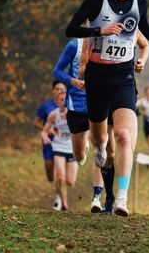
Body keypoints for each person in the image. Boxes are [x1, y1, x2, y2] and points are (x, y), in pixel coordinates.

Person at [65, 0, 149, 217]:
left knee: (124, 136)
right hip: (97, 79)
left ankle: (122, 198)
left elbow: (144, 26)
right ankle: (100, 149)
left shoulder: (139, 2)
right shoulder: (95, 0)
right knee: (101, 140)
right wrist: (98, 30)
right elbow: (71, 29)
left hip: (123, 79)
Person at [53, 38, 105, 213]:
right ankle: (85, 145)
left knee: (101, 148)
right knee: (79, 156)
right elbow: (57, 72)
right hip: (76, 105)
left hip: (98, 103)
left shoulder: (107, 44)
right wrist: (73, 82)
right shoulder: (74, 46)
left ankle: (97, 196)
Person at [41, 92, 79, 211]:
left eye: (65, 99)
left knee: (70, 181)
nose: (63, 102)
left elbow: (83, 130)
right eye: (61, 100)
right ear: (57, 102)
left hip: (71, 149)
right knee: (60, 177)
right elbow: (44, 131)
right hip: (58, 147)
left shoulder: (74, 114)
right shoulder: (53, 115)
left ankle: (61, 199)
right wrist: (45, 137)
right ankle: (64, 203)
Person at [34, 80, 67, 191]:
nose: (59, 91)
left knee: (60, 174)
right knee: (51, 176)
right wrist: (47, 130)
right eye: (57, 89)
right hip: (48, 141)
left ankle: (60, 199)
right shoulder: (46, 106)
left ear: (65, 91)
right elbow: (36, 122)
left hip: (63, 143)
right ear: (53, 91)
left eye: (62, 89)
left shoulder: (69, 106)